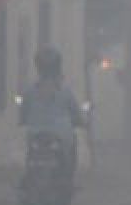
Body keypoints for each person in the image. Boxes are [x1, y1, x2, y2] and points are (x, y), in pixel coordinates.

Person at [18, 46, 85, 187]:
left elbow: (23, 115)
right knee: (72, 146)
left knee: (30, 152)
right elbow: (76, 113)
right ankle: (69, 179)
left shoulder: (30, 91)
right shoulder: (65, 91)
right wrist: (81, 122)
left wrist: (24, 122)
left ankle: (27, 178)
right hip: (61, 135)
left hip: (35, 133)